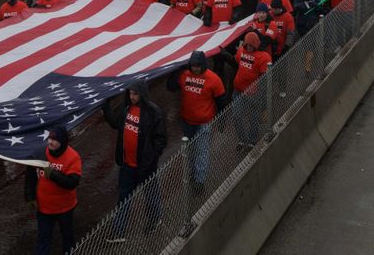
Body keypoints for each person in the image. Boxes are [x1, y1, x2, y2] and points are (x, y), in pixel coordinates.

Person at [101, 81, 167, 242]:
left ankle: (154, 220)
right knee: (123, 199)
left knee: (151, 195)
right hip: (127, 166)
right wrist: (105, 107)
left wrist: (151, 160)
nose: (132, 96)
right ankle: (119, 231)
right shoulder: (126, 109)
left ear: (142, 93)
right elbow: (115, 123)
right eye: (130, 93)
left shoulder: (153, 112)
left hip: (145, 167)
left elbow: (161, 139)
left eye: (135, 94)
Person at [167, 51, 226, 195]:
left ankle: (199, 181)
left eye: (198, 66)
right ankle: (193, 175)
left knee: (201, 151)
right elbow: (170, 87)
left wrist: (221, 120)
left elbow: (221, 100)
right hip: (187, 121)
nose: (195, 69)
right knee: (191, 151)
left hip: (204, 122)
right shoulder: (184, 75)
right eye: (193, 66)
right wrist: (174, 71)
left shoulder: (213, 79)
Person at [25, 127, 82, 255]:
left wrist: (51, 173)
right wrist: (29, 196)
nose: (50, 142)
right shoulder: (40, 153)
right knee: (43, 239)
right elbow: (30, 177)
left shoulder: (73, 157)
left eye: (55, 140)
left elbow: (71, 183)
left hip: (65, 209)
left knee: (68, 238)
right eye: (49, 138)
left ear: (62, 142)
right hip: (44, 209)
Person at [230, 33, 271, 146]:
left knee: (253, 118)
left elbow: (264, 79)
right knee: (236, 115)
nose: (249, 47)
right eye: (247, 45)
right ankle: (242, 140)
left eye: (251, 45)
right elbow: (236, 62)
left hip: (254, 93)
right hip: (238, 91)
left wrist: (262, 98)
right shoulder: (241, 51)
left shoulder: (264, 57)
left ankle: (252, 141)